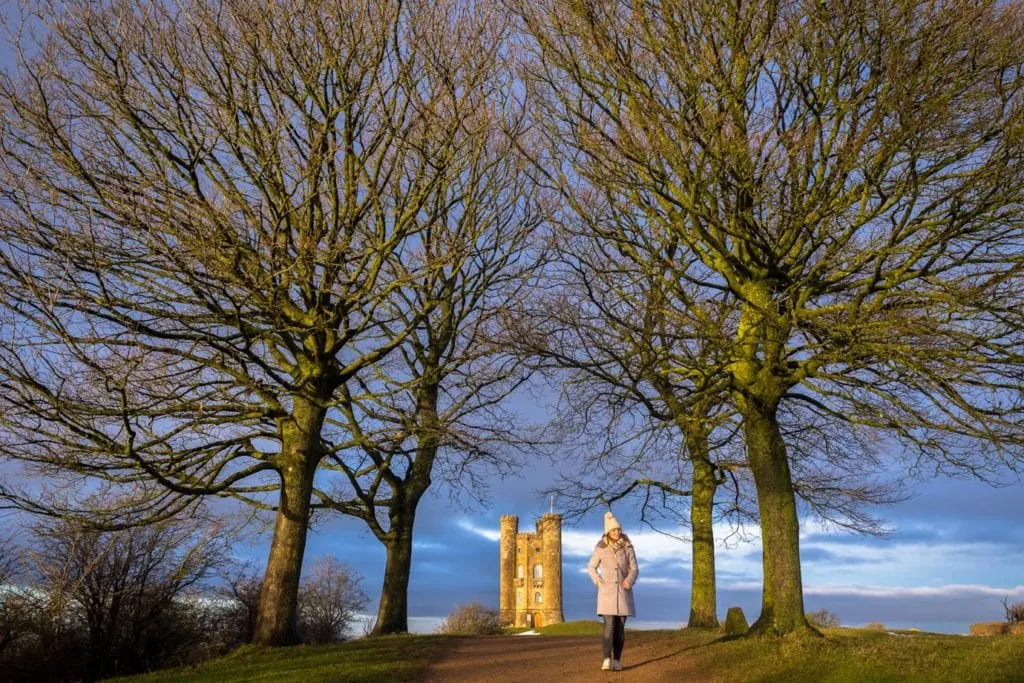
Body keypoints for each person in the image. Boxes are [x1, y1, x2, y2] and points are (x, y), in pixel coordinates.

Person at [586, 510, 638, 672]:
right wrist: (598, 581)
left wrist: (629, 580)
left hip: (623, 593)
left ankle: (617, 660)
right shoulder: (600, 548)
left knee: (620, 628)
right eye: (614, 530)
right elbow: (591, 567)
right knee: (609, 625)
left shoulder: (628, 547)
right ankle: (606, 659)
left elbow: (634, 568)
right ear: (608, 532)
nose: (617, 532)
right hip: (606, 593)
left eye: (618, 529)